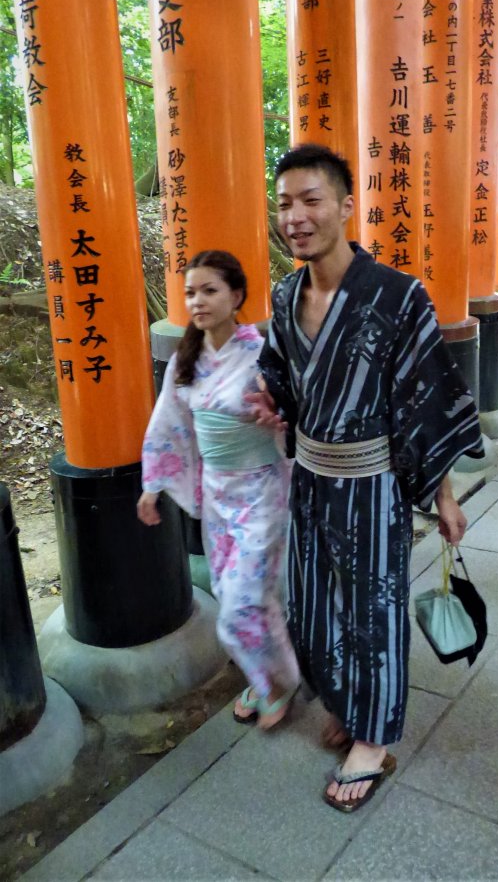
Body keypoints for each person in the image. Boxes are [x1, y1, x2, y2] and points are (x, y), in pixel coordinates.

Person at [248, 143, 483, 811]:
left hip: (372, 486)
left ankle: (374, 741)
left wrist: (443, 494)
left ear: (346, 206)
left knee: (371, 613)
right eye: (285, 202)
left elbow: (426, 398)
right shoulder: (286, 293)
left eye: (310, 199)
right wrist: (270, 406)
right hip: (313, 485)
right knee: (318, 609)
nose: (295, 215)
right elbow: (280, 384)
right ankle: (351, 705)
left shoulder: (398, 297)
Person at [137, 250, 299, 730]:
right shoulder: (185, 364)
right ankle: (264, 675)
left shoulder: (262, 356)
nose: (198, 301)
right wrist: (152, 487)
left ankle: (277, 683)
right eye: (191, 292)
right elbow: (169, 425)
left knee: (240, 604)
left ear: (237, 296)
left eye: (210, 290)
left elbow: (293, 412)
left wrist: (278, 418)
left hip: (264, 491)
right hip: (219, 499)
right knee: (237, 590)